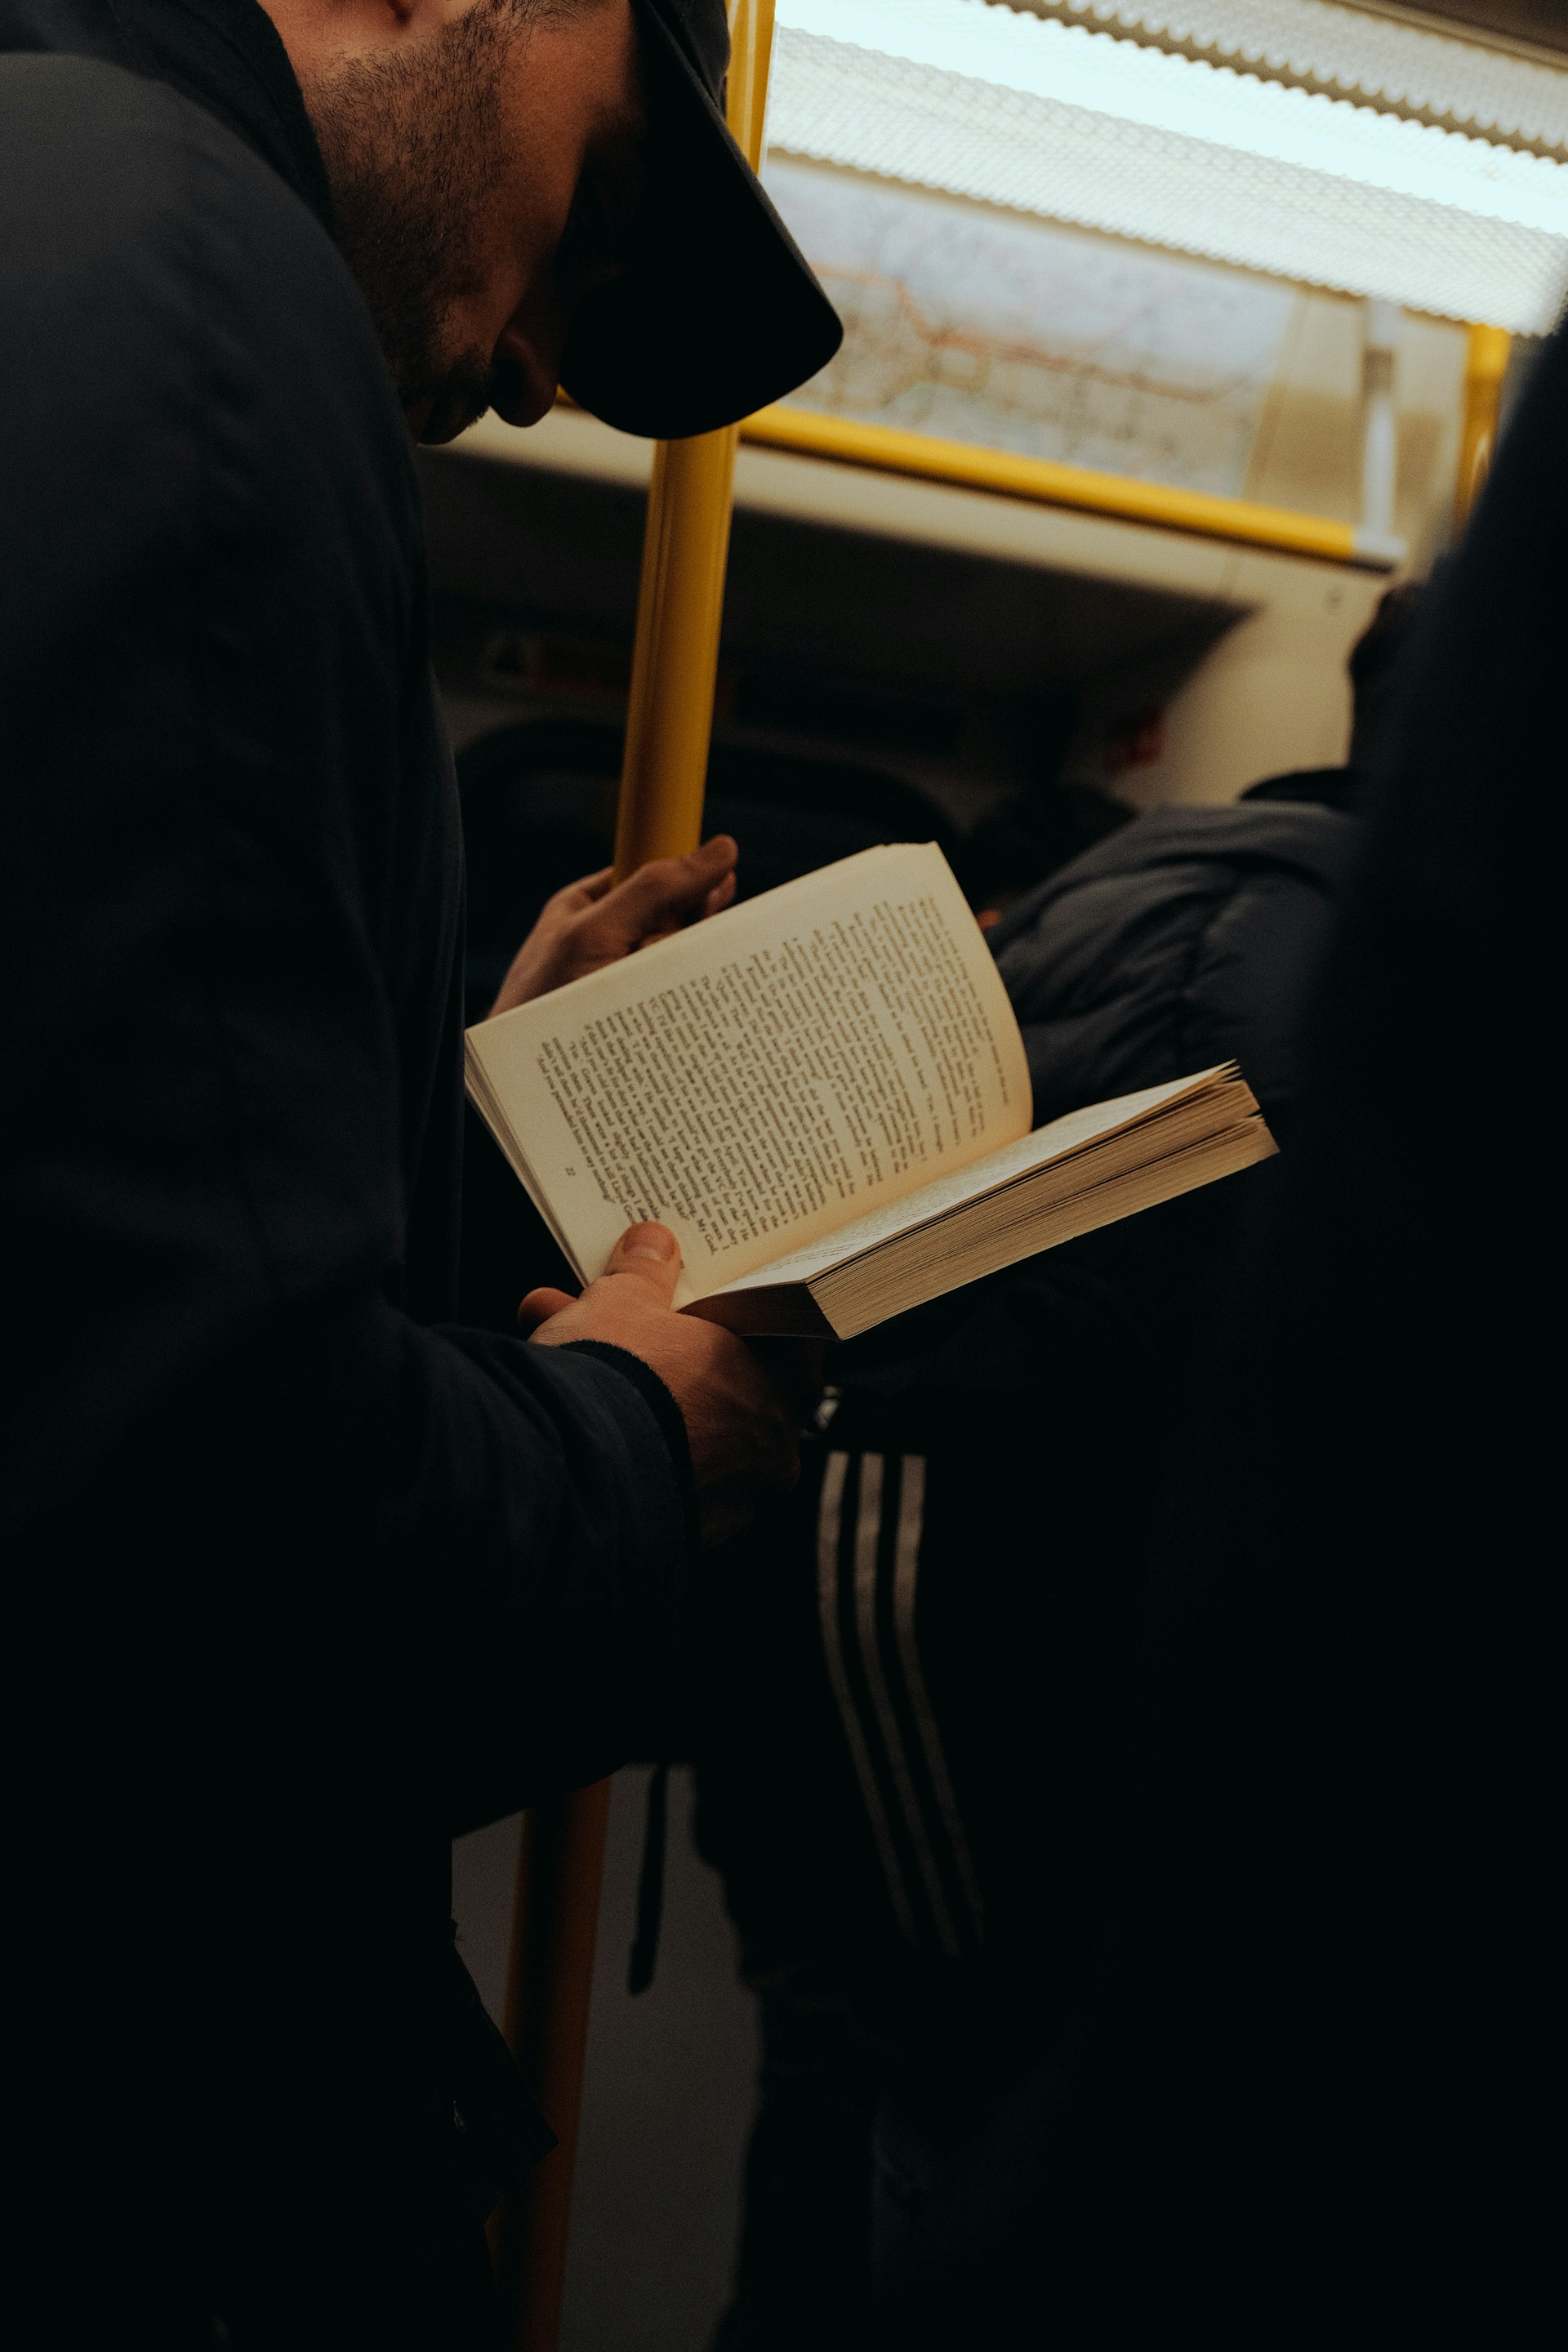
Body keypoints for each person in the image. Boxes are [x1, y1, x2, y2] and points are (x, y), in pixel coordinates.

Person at [0, 2, 839, 2343]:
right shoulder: (187, 280)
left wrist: (458, 1094)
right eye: (594, 212)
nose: (550, 374)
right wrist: (647, 1439)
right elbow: (209, 1535)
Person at [692, 612, 1419, 2343]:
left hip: (880, 1694)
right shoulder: (1305, 989)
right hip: (1046, 1796)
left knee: (870, 2129)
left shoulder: (1179, 906)